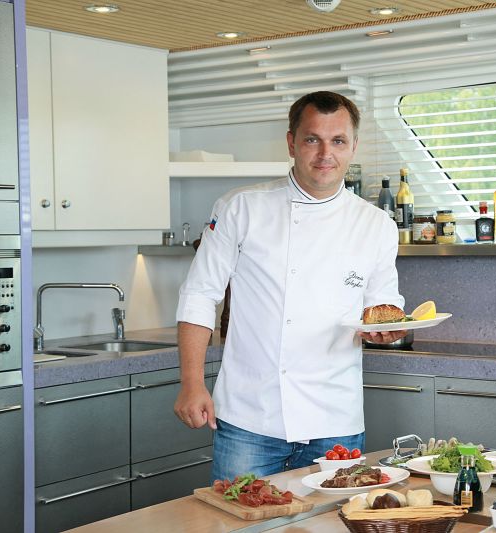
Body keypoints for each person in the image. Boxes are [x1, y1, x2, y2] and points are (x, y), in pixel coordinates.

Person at [173, 91, 407, 481]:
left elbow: (382, 306)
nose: (325, 154)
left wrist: (386, 332)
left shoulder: (376, 224)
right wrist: (192, 383)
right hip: (250, 417)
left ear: (353, 147)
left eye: (338, 141)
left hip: (335, 418)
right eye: (312, 139)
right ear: (291, 143)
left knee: (331, 516)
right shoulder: (241, 207)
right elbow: (200, 294)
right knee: (240, 514)